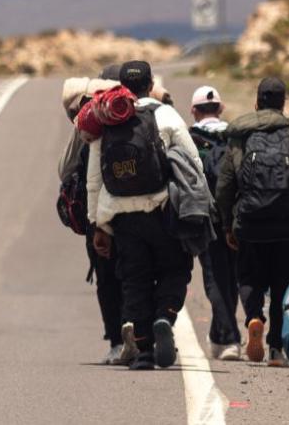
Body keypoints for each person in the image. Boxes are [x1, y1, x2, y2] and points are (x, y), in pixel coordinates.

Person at [86, 60, 201, 370]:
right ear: (151, 85)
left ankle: (145, 352)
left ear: (122, 87)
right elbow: (193, 163)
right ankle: (165, 314)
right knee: (175, 270)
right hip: (163, 212)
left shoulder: (108, 118)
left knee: (134, 281)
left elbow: (94, 179)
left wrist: (98, 225)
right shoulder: (165, 115)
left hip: (123, 217)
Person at [215, 77, 289, 367]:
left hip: (249, 222)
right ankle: (276, 349)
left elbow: (225, 184)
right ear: (283, 103)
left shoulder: (241, 135)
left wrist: (227, 223)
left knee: (249, 278)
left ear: (257, 102)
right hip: (287, 226)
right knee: (283, 285)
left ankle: (253, 318)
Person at [59, 65, 137, 365]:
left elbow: (66, 170)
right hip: (143, 208)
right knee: (139, 273)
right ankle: (145, 333)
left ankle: (117, 341)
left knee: (107, 279)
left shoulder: (92, 118)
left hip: (102, 213)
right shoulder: (146, 111)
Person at [188, 86, 241, 361]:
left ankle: (231, 339)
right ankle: (219, 335)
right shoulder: (236, 136)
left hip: (204, 216)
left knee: (214, 279)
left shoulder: (190, 138)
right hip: (236, 217)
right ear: (220, 109)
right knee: (230, 277)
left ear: (194, 111)